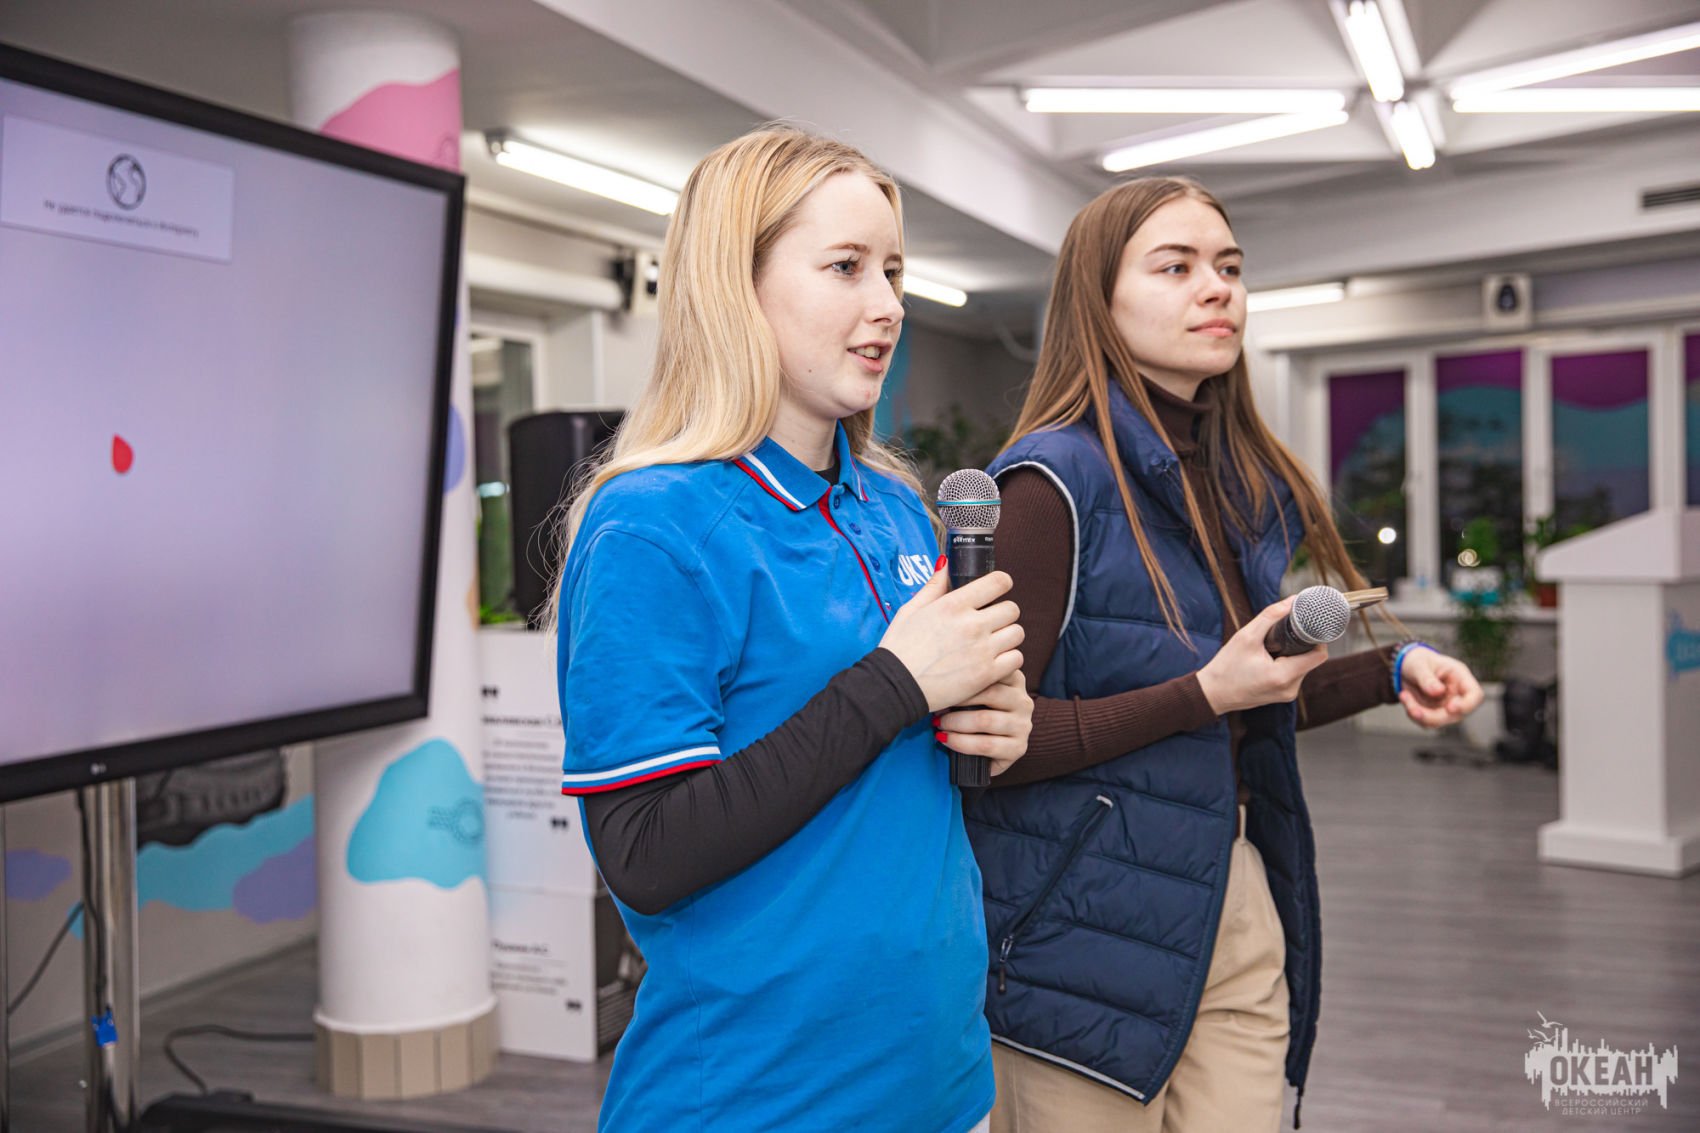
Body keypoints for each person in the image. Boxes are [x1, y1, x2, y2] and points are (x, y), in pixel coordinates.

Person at [964, 176, 1484, 1133]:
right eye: (1176, 267)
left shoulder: (1235, 480)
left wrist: (1388, 669)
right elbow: (985, 749)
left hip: (1231, 889)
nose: (1218, 289)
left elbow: (1245, 692)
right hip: (1075, 930)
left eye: (1230, 267)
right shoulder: (1047, 483)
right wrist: (1204, 691)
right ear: (1098, 302)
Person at [552, 125, 1033, 1133]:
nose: (887, 304)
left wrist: (991, 722)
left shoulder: (898, 510)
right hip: (758, 1098)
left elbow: (896, 787)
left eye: (893, 270)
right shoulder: (652, 525)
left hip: (943, 1078)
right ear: (735, 285)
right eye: (846, 266)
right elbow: (645, 851)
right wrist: (897, 683)